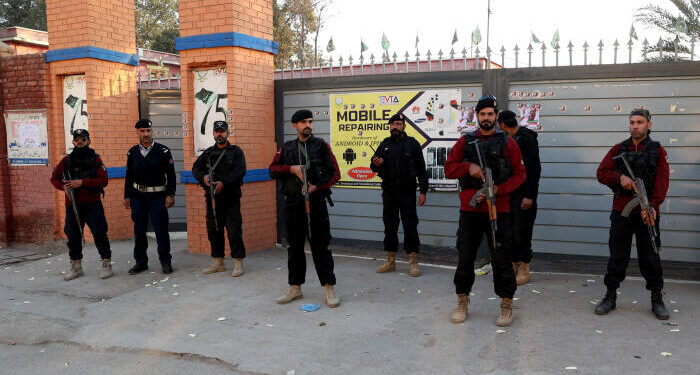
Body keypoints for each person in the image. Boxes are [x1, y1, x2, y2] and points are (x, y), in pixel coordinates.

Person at [444, 95, 525, 327]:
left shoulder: (508, 142)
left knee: (502, 257)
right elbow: (449, 168)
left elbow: (521, 175)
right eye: (482, 114)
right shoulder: (465, 142)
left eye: (490, 114)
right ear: (477, 116)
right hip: (470, 209)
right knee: (465, 256)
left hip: (500, 209)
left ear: (496, 116)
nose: (486, 118)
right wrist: (468, 167)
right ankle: (462, 299)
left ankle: (507, 303)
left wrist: (500, 189)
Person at [595, 108, 670, 320]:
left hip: (647, 212)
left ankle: (657, 298)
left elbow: (662, 182)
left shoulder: (658, 151)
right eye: (632, 122)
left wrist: (652, 206)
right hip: (622, 212)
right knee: (617, 255)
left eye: (640, 122)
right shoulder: (619, 149)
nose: (635, 126)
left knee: (651, 256)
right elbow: (601, 173)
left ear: (649, 125)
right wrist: (620, 178)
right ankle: (610, 296)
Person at [269, 109, 341, 308]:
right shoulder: (287, 148)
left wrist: (317, 186)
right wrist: (290, 168)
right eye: (303, 122)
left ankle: (328, 286)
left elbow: (335, 174)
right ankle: (295, 287)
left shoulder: (321, 146)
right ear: (295, 125)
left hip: (316, 203)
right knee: (294, 247)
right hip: (293, 204)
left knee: (321, 246)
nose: (308, 125)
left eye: (310, 121)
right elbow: (272, 169)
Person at [370, 112, 428, 276]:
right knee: (390, 225)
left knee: (410, 226)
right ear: (390, 126)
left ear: (404, 126)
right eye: (393, 124)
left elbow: (422, 170)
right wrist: (376, 163)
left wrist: (423, 191)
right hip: (389, 192)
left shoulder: (412, 144)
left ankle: (413, 262)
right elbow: (373, 166)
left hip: (407, 192)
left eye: (398, 124)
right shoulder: (384, 144)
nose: (395, 127)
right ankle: (390, 261)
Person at [50, 129, 112, 281]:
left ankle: (106, 264)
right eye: (77, 139)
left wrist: (82, 182)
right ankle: (76, 267)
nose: (80, 142)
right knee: (73, 236)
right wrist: (62, 187)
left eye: (83, 139)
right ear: (73, 142)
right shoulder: (67, 160)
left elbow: (103, 180)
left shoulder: (96, 159)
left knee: (99, 233)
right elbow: (54, 178)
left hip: (93, 204)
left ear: (88, 141)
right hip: (72, 205)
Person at [192, 120, 247, 276]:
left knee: (234, 230)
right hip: (213, 199)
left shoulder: (236, 151)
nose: (220, 134)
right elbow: (195, 168)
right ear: (213, 134)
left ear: (227, 133)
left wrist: (224, 183)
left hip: (231, 199)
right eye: (217, 131)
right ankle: (218, 261)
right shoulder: (208, 153)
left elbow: (240, 171)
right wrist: (203, 178)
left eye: (222, 131)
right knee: (214, 230)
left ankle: (238, 261)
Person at [124, 119, 176, 275]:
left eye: (148, 130)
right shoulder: (132, 152)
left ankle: (165, 262)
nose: (146, 134)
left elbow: (171, 175)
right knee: (139, 231)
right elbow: (129, 176)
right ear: (137, 132)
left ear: (152, 131)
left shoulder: (163, 151)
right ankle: (140, 262)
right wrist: (127, 196)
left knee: (161, 231)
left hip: (157, 197)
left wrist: (170, 194)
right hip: (138, 197)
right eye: (142, 131)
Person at [497, 110, 541, 285]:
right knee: (510, 231)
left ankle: (524, 268)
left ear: (501, 124)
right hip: (510, 194)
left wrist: (530, 196)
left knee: (522, 232)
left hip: (523, 195)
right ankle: (513, 265)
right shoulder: (508, 138)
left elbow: (534, 169)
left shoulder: (526, 139)